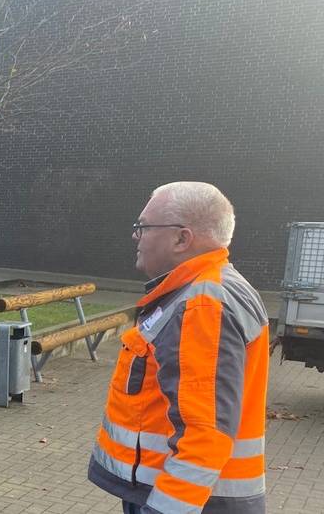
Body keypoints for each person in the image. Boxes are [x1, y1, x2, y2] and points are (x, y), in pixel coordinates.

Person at [89, 181, 268, 513]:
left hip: (187, 500)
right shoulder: (212, 287)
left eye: (142, 226)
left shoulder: (201, 305)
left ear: (182, 238)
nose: (135, 236)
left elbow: (204, 435)